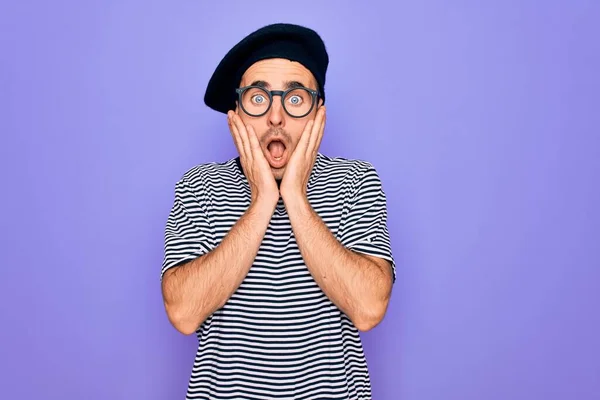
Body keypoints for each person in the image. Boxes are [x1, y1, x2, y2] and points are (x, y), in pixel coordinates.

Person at [160, 22, 396, 400]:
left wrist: (296, 198)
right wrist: (264, 200)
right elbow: (184, 313)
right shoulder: (198, 186)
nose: (275, 117)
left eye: (295, 98)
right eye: (258, 98)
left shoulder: (355, 180)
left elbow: (368, 308)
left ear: (319, 112)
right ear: (235, 113)